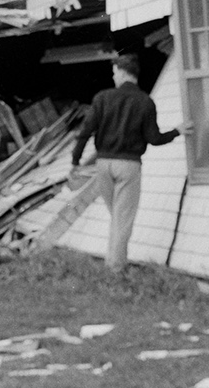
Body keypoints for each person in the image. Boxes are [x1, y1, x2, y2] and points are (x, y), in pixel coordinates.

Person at [70, 54, 191, 274]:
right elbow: (154, 138)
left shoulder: (102, 98)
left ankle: (116, 263)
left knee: (117, 217)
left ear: (124, 72)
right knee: (122, 218)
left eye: (115, 72)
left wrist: (75, 160)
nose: (114, 76)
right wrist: (177, 131)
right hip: (129, 165)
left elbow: (85, 131)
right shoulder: (145, 102)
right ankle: (115, 270)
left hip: (104, 163)